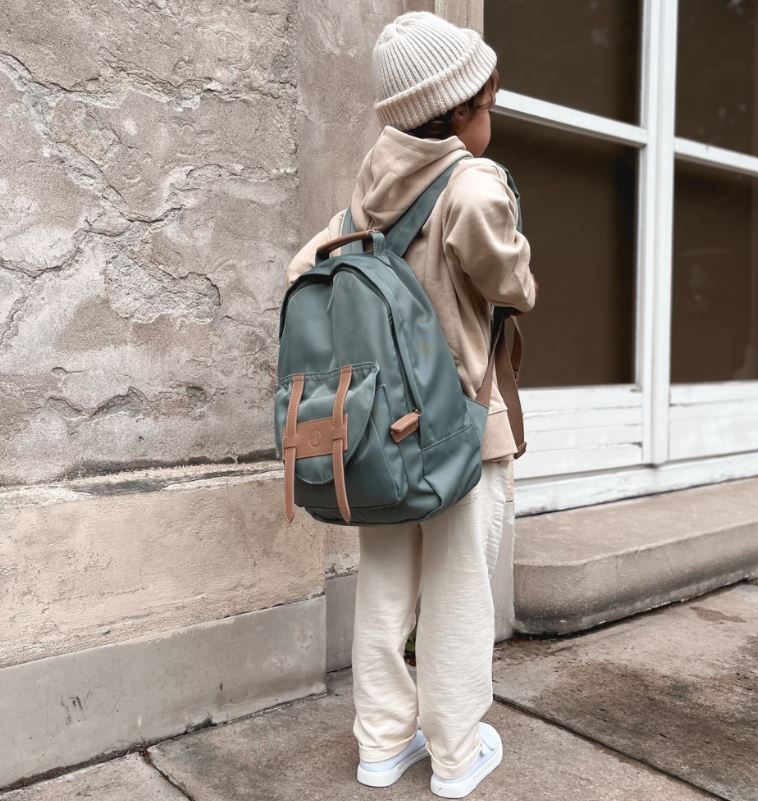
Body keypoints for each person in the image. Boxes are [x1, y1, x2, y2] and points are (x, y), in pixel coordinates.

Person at [285, 10, 537, 798]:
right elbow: (513, 284)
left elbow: (303, 270)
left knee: (386, 586)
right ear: (458, 111)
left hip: (382, 435)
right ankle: (457, 755)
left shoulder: (368, 192)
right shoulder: (472, 184)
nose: (491, 116)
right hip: (461, 428)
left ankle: (380, 744)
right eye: (487, 103)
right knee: (459, 592)